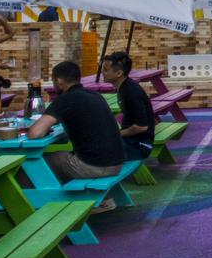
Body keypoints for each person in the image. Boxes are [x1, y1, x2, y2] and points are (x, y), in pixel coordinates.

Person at [28, 60, 125, 206]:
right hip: (116, 162)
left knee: (37, 162)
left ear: (59, 81)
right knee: (64, 156)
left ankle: (38, 203)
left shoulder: (65, 99)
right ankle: (102, 200)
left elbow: (35, 133)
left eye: (54, 81)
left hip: (95, 166)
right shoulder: (95, 95)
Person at [102, 52, 157, 161]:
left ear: (118, 73)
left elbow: (141, 127)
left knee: (95, 148)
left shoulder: (131, 92)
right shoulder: (124, 87)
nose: (102, 73)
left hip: (140, 146)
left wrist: (116, 134)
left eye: (106, 70)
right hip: (132, 141)